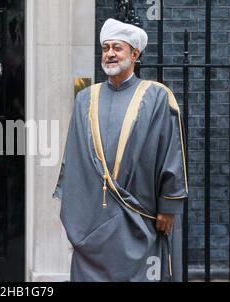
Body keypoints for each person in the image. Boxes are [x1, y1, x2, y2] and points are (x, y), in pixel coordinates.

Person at [54, 18, 188, 281]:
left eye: (117, 47)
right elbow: (75, 158)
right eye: (105, 48)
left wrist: (168, 206)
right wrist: (76, 219)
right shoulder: (85, 99)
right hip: (94, 217)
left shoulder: (157, 96)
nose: (110, 54)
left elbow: (171, 151)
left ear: (134, 54)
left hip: (141, 215)